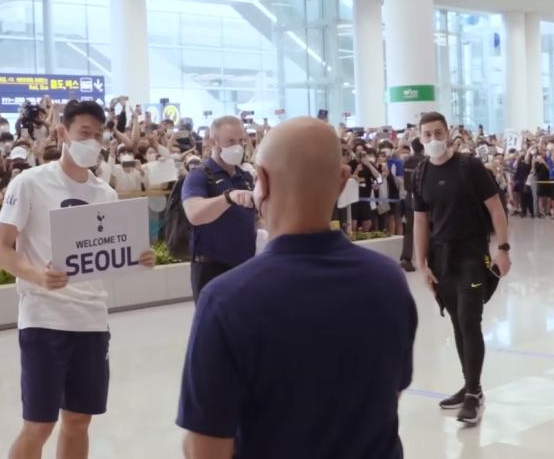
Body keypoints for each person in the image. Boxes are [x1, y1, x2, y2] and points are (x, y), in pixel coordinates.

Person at [176, 117, 417, 459]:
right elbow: (389, 395)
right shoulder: (389, 281)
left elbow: (205, 447)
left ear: (261, 182)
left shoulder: (226, 302)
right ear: (342, 180)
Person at [0, 100, 156, 459]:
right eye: (84, 133)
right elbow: (0, 249)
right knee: (39, 425)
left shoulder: (105, 193)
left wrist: (140, 256)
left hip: (91, 321)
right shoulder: (30, 182)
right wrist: (39, 276)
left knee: (79, 420)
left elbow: (112, 251)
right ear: (63, 132)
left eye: (98, 135)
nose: (92, 142)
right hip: (44, 319)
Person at [413, 111, 510, 425]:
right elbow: (420, 221)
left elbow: (495, 208)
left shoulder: (470, 166)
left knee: (470, 322)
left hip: (472, 255)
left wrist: (503, 249)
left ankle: (474, 392)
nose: (433, 139)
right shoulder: (420, 173)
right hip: (442, 259)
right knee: (457, 322)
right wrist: (421, 263)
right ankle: (469, 385)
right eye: (427, 134)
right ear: (420, 138)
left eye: (438, 132)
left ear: (448, 133)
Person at [181, 115, 256, 302]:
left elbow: (255, 217)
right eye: (230, 141)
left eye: (241, 141)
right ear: (213, 142)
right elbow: (194, 214)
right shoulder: (199, 175)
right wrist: (228, 197)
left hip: (245, 265)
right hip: (212, 269)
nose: (238, 146)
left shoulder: (245, 177)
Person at [400, 137, 426, 272]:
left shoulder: (407, 161)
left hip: (409, 196)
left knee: (409, 230)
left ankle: (406, 258)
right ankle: (430, 258)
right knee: (428, 227)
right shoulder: (425, 161)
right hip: (422, 198)